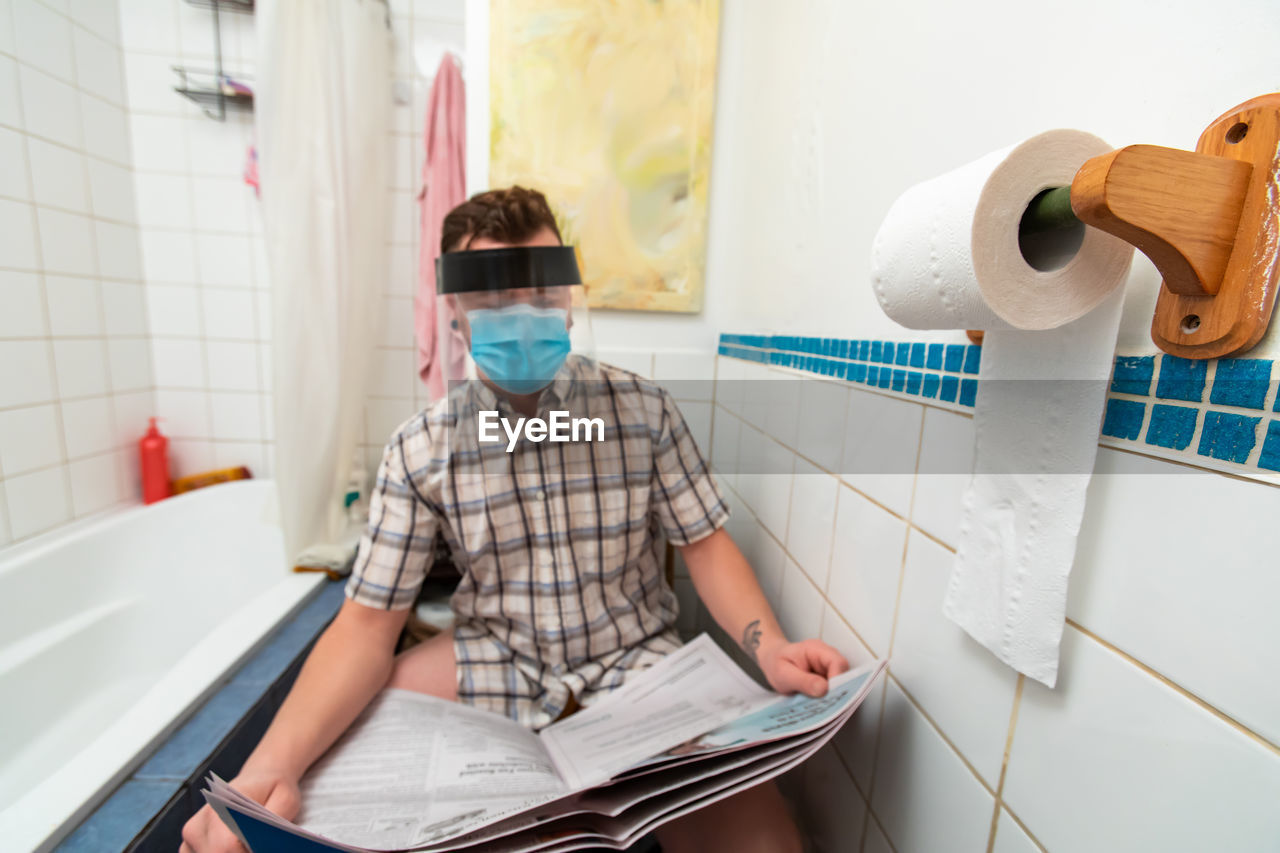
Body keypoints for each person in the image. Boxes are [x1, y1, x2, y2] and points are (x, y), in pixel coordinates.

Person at [181, 186, 848, 853]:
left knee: (766, 845)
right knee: (343, 757)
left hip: (633, 656)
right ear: (456, 318)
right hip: (493, 656)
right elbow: (365, 623)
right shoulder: (420, 449)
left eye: (537, 292)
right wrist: (269, 766)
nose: (520, 316)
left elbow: (704, 543)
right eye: (493, 301)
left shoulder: (643, 410)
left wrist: (771, 646)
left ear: (566, 301)